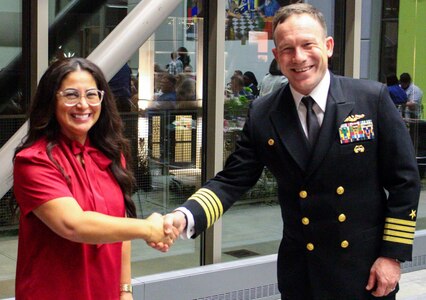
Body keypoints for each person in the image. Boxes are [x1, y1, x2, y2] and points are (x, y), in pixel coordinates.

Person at [158, 3, 421, 299]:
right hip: (302, 273)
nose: (299, 58)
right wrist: (186, 215)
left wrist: (392, 256)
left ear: (328, 46)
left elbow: (404, 182)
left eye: (308, 44)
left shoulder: (370, 99)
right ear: (276, 56)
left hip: (365, 270)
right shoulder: (264, 113)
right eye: (287, 49)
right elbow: (232, 180)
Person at [13, 57, 177, 299]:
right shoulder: (34, 161)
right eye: (71, 95)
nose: (83, 105)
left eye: (91, 94)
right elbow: (73, 224)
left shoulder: (110, 154)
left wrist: (125, 290)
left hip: (105, 292)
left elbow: (120, 224)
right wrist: (147, 228)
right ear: (51, 101)